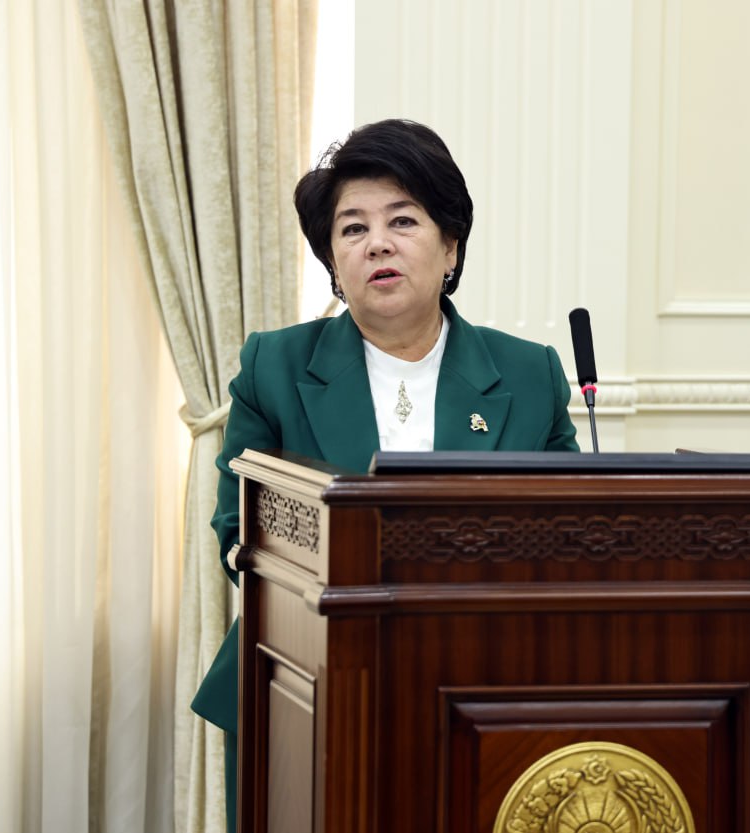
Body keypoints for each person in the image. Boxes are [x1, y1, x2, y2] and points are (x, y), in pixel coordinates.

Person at [189, 118, 580, 829]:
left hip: (486, 692)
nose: (377, 243)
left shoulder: (529, 374)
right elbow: (235, 531)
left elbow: (568, 536)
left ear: (451, 245)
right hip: (303, 688)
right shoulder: (273, 366)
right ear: (334, 262)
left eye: (403, 219)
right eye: (352, 229)